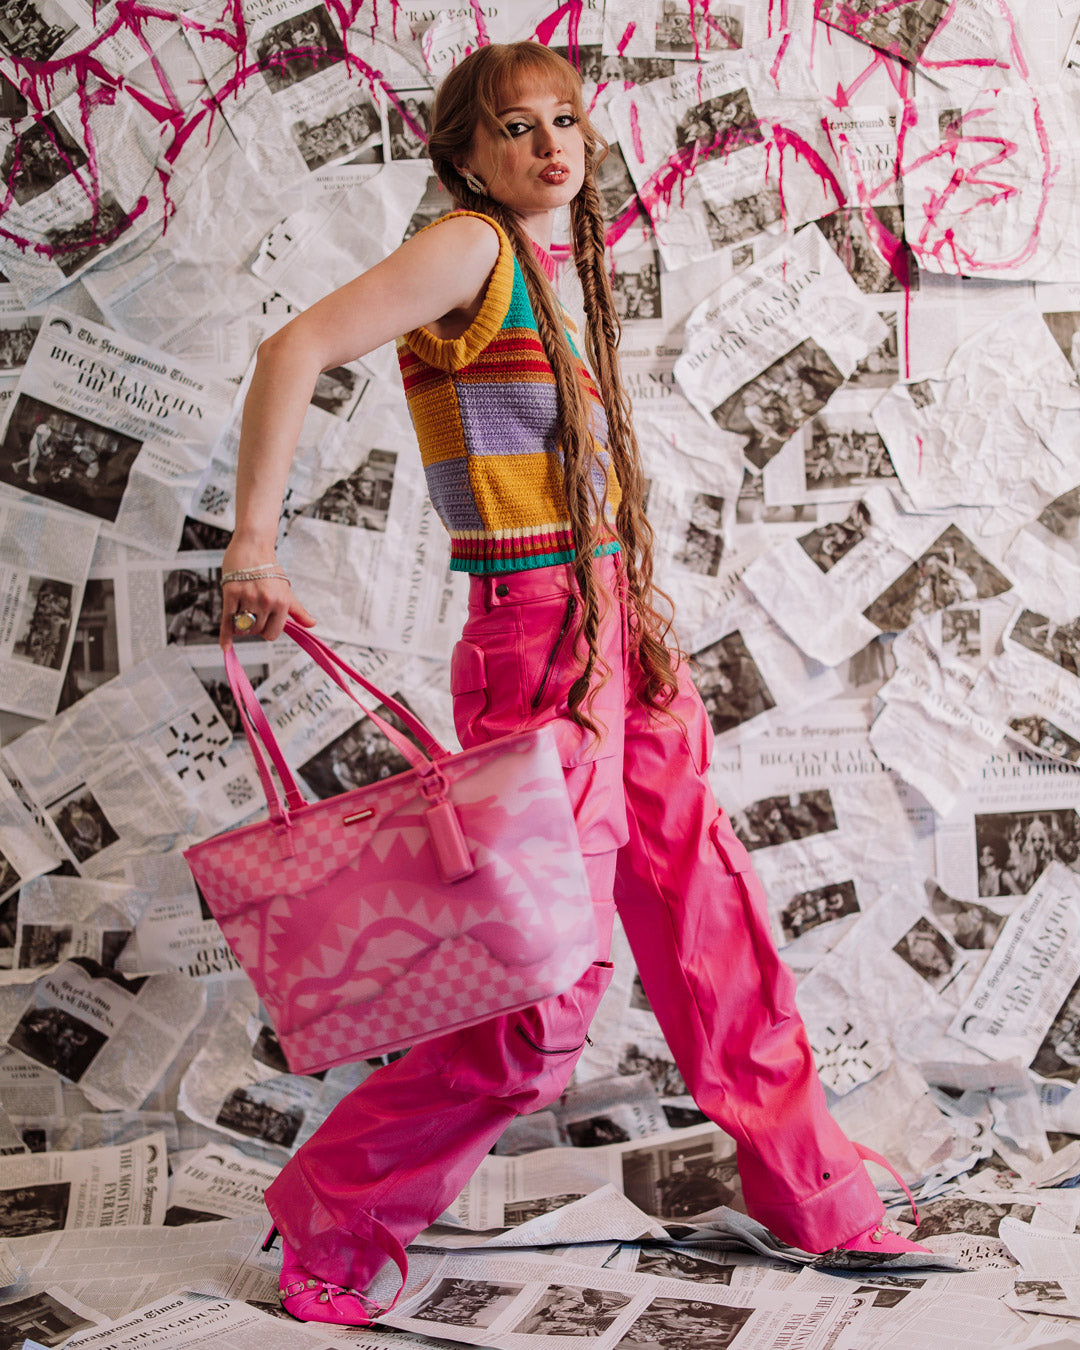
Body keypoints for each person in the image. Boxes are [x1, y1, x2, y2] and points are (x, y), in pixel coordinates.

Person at [217, 41, 928, 1328]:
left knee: (714, 929)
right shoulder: (471, 250)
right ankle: (332, 1215)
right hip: (539, 645)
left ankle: (814, 1192)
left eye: (566, 120)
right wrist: (253, 547)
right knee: (541, 1002)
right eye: (516, 127)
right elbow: (294, 345)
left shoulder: (554, 272)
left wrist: (636, 621)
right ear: (466, 156)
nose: (552, 145)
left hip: (620, 632)